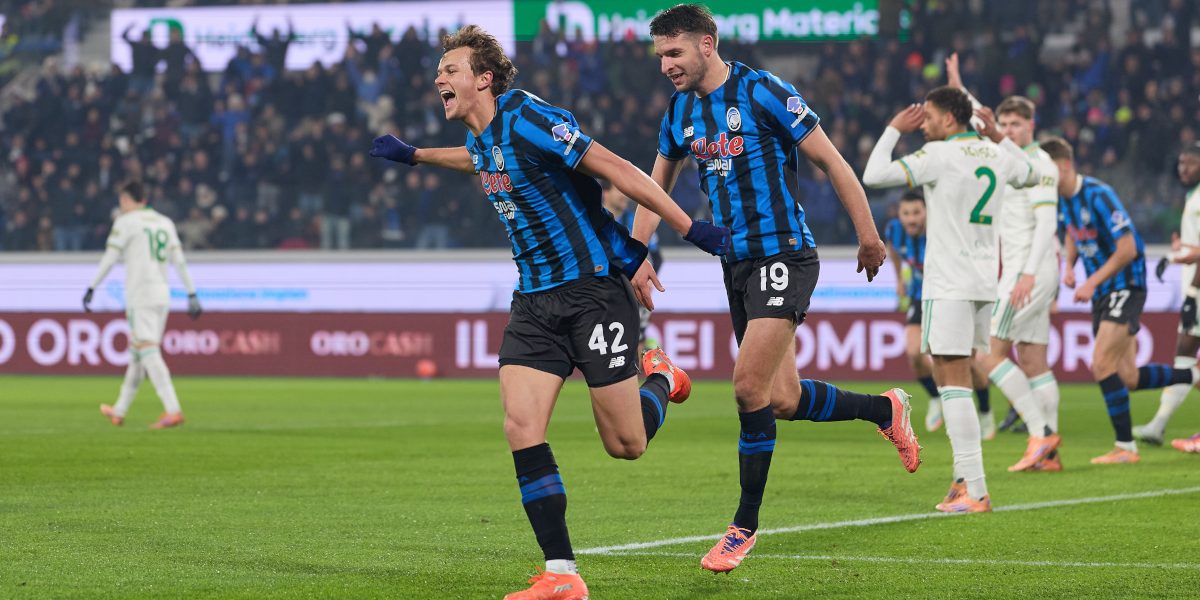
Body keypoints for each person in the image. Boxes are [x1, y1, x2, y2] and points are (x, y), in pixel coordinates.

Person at [368, 25, 730, 600]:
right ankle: (562, 574)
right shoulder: (486, 135)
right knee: (520, 426)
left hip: (592, 293)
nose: (439, 77)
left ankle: (660, 376)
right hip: (534, 301)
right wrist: (416, 156)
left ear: (484, 79)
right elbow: (478, 159)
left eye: (451, 69)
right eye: (439, 70)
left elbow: (618, 170)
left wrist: (689, 227)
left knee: (626, 445)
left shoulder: (529, 116)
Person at [630, 5, 920, 573]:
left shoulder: (763, 91)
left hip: (784, 253)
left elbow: (831, 161)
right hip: (736, 264)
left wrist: (868, 235)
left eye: (675, 53)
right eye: (660, 55)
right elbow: (652, 187)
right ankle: (884, 408)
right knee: (780, 400)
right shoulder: (679, 112)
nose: (666, 65)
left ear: (707, 45)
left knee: (745, 387)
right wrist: (637, 254)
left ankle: (742, 526)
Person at [864, 87, 1043, 512]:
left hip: (948, 283)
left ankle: (973, 487)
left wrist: (893, 128)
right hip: (984, 281)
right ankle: (969, 483)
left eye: (928, 116)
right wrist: (998, 135)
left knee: (950, 378)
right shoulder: (996, 153)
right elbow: (1032, 174)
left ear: (949, 120)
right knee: (960, 373)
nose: (923, 123)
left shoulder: (938, 156)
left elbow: (873, 175)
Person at [1047, 137, 1200, 464]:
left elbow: (1128, 248)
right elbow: (1073, 232)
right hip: (1104, 291)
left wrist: (1091, 280)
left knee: (1101, 362)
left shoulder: (1099, 195)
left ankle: (1125, 447)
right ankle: (1195, 376)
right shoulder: (1062, 200)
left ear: (1063, 166)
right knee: (1127, 376)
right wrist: (1070, 265)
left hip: (1126, 284)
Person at [945, 54, 1064, 472]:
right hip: (1026, 270)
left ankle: (1040, 434)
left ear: (1031, 126)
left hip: (1025, 272)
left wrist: (1028, 275)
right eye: (1006, 124)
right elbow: (982, 119)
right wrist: (958, 85)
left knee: (986, 353)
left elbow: (1048, 223)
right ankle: (1049, 453)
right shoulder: (1011, 156)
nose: (1007, 129)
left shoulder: (1040, 164)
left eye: (1015, 124)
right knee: (1032, 359)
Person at [84, 180, 202, 430]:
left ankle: (173, 410)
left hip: (140, 295)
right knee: (138, 353)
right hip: (162, 294)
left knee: (148, 350)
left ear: (126, 200)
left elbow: (110, 257)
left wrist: (92, 286)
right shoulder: (165, 222)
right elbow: (179, 260)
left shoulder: (126, 222)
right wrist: (192, 293)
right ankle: (120, 410)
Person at [1135, 142, 1200, 448]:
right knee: (1184, 357)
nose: (1183, 169)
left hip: (1198, 289)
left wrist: (1192, 292)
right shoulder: (1192, 196)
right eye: (1181, 163)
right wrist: (1181, 250)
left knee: (1187, 359)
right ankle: (1158, 425)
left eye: (1190, 163)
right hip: (1194, 288)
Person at [602, 181, 661, 353]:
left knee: (636, 338)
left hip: (634, 290)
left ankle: (642, 365)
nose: (624, 195)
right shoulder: (592, 220)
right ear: (605, 193)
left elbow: (656, 256)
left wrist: (648, 279)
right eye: (619, 189)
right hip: (602, 291)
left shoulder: (635, 221)